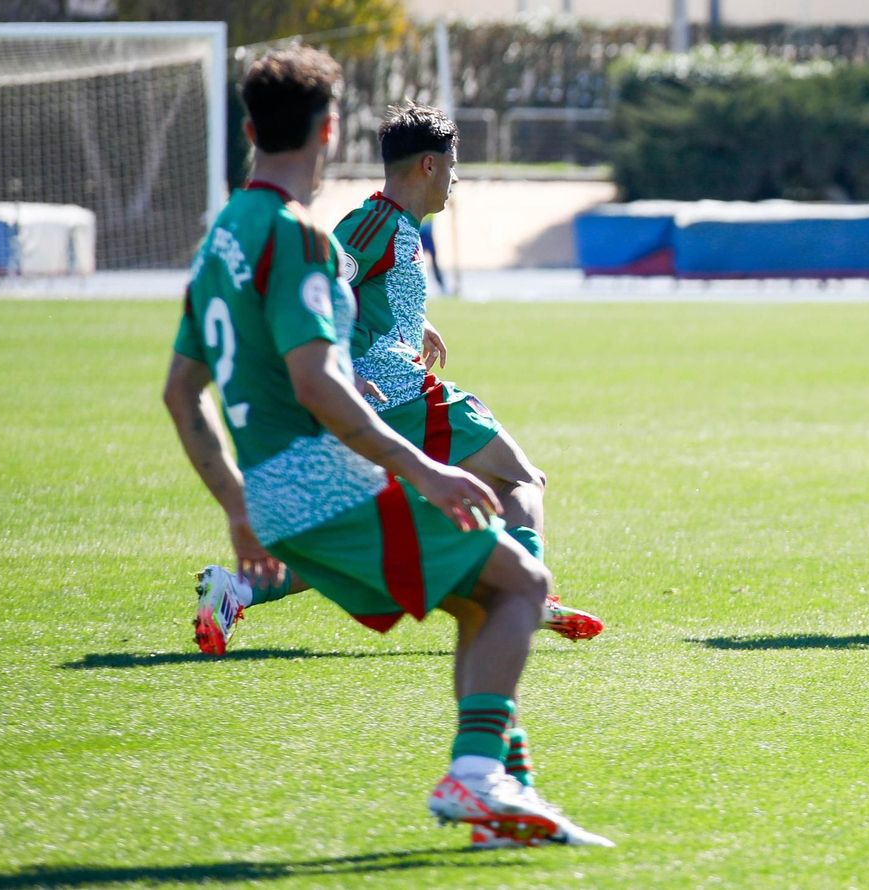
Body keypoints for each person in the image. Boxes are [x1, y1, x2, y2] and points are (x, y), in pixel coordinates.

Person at [165, 46, 609, 848]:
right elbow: (315, 367)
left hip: (275, 489)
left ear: (247, 127)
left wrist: (238, 508)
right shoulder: (303, 234)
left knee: (489, 585)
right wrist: (417, 459)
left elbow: (179, 390)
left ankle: (501, 795)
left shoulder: (225, 235)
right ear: (328, 131)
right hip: (336, 457)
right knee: (516, 577)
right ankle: (479, 779)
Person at [194, 102, 603, 655]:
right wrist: (343, 367)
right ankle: (524, 594)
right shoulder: (375, 223)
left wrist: (413, 321)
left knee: (367, 540)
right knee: (522, 480)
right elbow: (310, 288)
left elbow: (353, 293)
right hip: (400, 395)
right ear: (429, 167)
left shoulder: (394, 227)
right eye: (453, 166)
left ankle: (235, 588)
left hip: (382, 395)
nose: (456, 179)